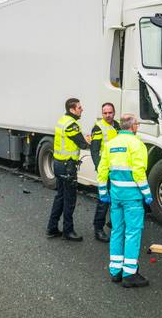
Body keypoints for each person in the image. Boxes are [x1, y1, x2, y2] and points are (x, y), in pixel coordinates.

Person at [97, 114, 152, 288]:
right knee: (133, 233)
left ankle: (115, 271)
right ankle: (129, 273)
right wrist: (147, 193)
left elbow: (102, 169)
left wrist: (102, 191)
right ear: (133, 126)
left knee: (117, 231)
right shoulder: (137, 144)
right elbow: (138, 171)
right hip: (132, 197)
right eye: (137, 124)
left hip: (116, 196)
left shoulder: (110, 144)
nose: (138, 126)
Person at [47, 98, 91, 241]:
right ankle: (68, 231)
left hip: (59, 164)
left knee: (60, 196)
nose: (81, 109)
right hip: (67, 167)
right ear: (72, 110)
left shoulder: (62, 120)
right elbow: (83, 144)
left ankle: (52, 228)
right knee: (70, 199)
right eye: (79, 107)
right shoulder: (72, 125)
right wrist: (90, 141)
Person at [90, 102, 120, 243]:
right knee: (103, 200)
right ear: (102, 114)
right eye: (105, 113)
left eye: (110, 112)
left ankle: (112, 223)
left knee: (117, 198)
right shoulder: (98, 127)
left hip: (117, 169)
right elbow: (94, 150)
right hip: (105, 169)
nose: (108, 115)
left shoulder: (117, 126)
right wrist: (99, 167)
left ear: (114, 113)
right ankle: (98, 229)